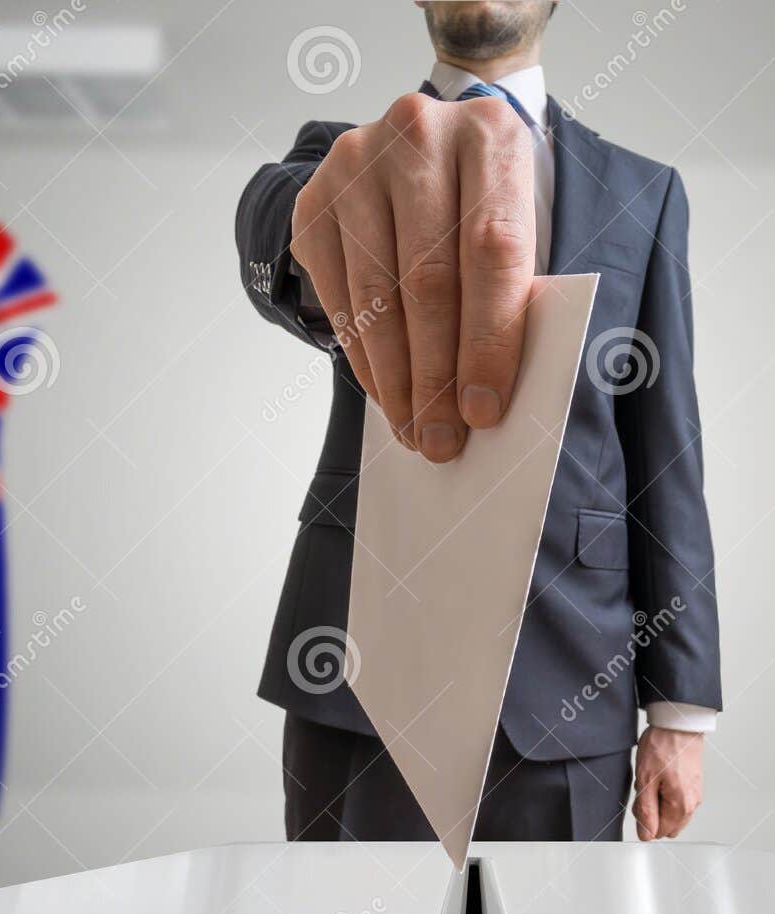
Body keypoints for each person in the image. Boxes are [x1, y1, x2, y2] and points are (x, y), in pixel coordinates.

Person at [236, 1, 721, 844]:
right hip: (364, 669)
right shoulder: (338, 161)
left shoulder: (643, 193)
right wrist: (328, 211)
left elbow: (664, 454)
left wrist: (680, 710)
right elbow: (279, 237)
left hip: (572, 677)